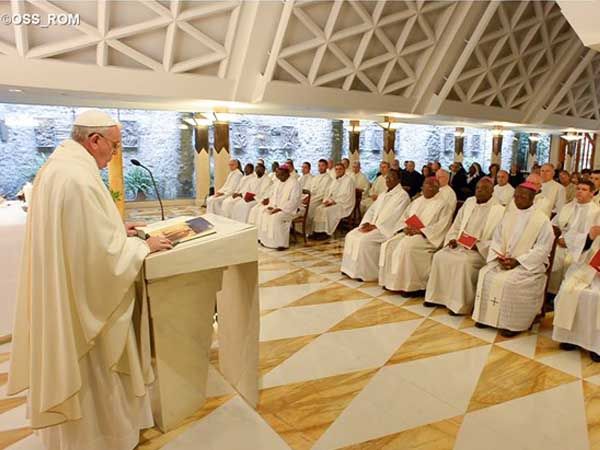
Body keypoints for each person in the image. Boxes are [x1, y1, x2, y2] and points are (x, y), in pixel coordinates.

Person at [7, 110, 173, 450]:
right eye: (112, 146)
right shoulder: (78, 178)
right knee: (97, 371)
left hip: (64, 295)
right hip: (85, 307)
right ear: (93, 140)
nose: (114, 154)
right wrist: (141, 244)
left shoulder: (59, 168)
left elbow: (83, 235)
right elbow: (101, 259)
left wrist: (116, 230)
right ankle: (102, 438)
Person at [472, 182, 554, 337]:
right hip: (505, 259)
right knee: (485, 273)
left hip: (528, 264)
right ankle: (486, 317)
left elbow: (543, 249)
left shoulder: (542, 220)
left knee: (510, 282)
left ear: (532, 198)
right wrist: (499, 256)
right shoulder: (508, 215)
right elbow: (497, 239)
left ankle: (511, 324)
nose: (518, 199)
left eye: (523, 196)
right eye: (516, 196)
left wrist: (518, 261)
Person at [425, 178, 505, 314]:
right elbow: (457, 225)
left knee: (462, 263)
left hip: (478, 251)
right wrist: (452, 239)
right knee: (439, 256)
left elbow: (499, 239)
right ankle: (437, 297)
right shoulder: (469, 202)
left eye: (484, 188)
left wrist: (479, 245)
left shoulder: (500, 210)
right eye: (478, 188)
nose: (479, 190)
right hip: (460, 245)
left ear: (492, 191)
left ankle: (458, 305)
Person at [378, 177, 453, 295]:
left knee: (408, 246)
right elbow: (404, 217)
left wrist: (421, 231)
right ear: (422, 187)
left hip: (427, 238)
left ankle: (413, 286)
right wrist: (405, 227)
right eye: (426, 184)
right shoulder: (417, 201)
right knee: (390, 244)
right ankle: (391, 282)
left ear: (437, 189)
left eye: (432, 185)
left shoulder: (443, 205)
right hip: (410, 233)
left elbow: (442, 226)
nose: (428, 187)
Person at [341, 169, 410, 281]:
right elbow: (372, 210)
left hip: (385, 229)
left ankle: (364, 273)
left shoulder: (402, 196)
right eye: (387, 177)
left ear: (399, 180)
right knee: (351, 235)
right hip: (373, 225)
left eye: (391, 178)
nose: (388, 180)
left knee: (363, 241)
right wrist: (366, 222)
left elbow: (394, 216)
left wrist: (376, 226)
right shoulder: (383, 194)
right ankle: (349, 269)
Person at [553, 225, 600, 361]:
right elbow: (575, 240)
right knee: (569, 290)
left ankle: (596, 345)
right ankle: (570, 337)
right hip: (586, 268)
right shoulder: (596, 215)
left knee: (596, 297)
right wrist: (590, 237)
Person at [548, 180, 600, 294]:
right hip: (559, 244)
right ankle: (550, 293)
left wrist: (570, 242)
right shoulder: (567, 207)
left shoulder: (596, 212)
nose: (580, 191)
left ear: (592, 193)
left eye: (584, 190)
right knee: (550, 259)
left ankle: (563, 293)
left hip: (582, 250)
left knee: (570, 264)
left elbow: (594, 237)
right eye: (578, 189)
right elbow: (553, 225)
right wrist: (557, 238)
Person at [251, 164, 301, 250]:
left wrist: (279, 208)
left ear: (287, 173)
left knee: (275, 217)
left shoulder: (294, 183)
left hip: (289, 210)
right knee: (263, 213)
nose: (279, 177)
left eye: (281, 175)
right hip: (276, 207)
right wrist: (271, 205)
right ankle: (265, 240)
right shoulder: (278, 182)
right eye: (277, 175)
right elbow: (274, 196)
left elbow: (294, 201)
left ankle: (280, 244)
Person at [311, 162, 355, 238]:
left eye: (340, 169)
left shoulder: (349, 181)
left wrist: (333, 202)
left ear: (344, 170)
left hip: (343, 204)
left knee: (327, 211)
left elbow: (347, 196)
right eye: (336, 169)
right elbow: (328, 192)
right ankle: (317, 231)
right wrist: (326, 200)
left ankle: (326, 233)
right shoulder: (335, 180)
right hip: (332, 202)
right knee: (318, 209)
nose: (338, 171)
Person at [304, 159, 332, 235]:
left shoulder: (328, 179)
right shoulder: (315, 177)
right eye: (319, 166)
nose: (320, 167)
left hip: (319, 200)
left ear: (326, 166)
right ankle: (299, 229)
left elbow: (323, 193)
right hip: (312, 197)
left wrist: (309, 199)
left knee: (310, 206)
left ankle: (309, 231)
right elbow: (310, 189)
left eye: (322, 165)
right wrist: (306, 197)